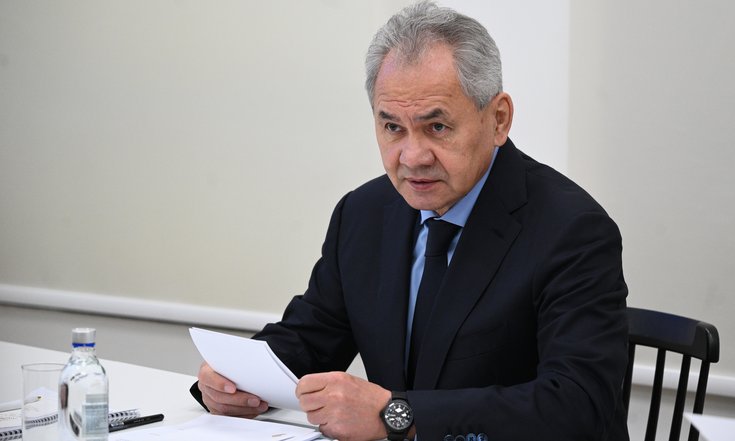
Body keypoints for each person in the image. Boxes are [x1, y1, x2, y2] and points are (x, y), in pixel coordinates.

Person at [192, 2, 629, 440]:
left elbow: (578, 404)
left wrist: (396, 415)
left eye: (437, 127)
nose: (413, 157)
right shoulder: (362, 214)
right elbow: (310, 338)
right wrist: (231, 381)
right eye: (393, 128)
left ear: (498, 119)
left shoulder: (572, 230)